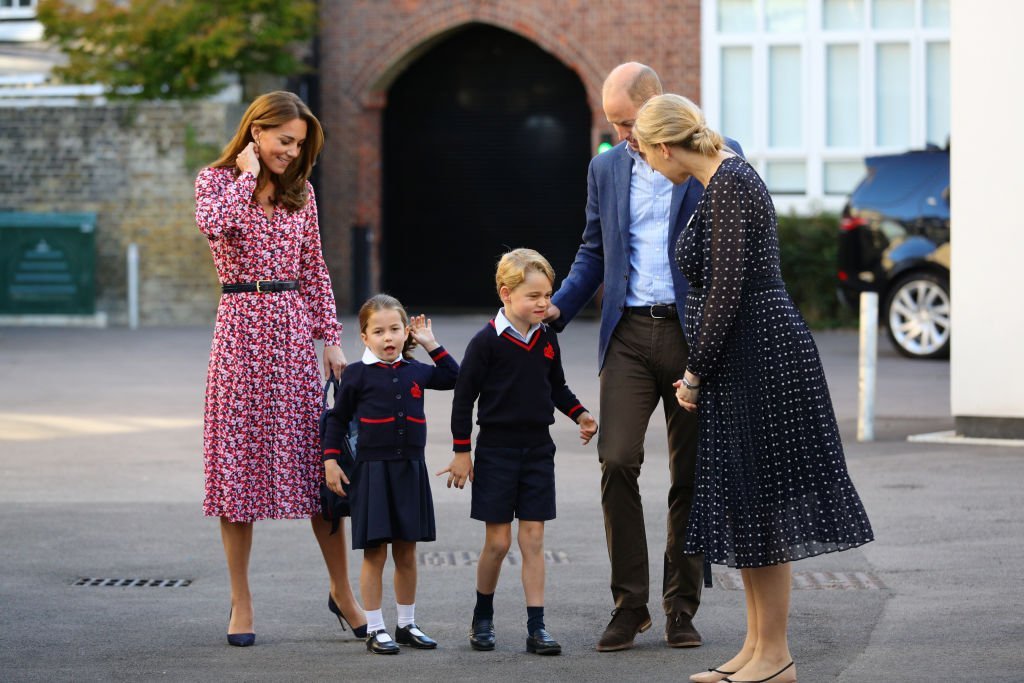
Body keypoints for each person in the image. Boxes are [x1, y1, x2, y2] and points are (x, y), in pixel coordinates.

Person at [633, 93, 875, 683]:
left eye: (643, 152)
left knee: (763, 505)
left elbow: (726, 290)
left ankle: (776, 656)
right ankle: (756, 647)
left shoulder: (732, 182)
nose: (645, 164)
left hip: (762, 355)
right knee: (749, 507)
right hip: (746, 356)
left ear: (665, 146)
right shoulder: (721, 181)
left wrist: (693, 375)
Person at [546, 62, 742, 652]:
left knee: (691, 476)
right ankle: (629, 607)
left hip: (692, 335)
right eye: (612, 123)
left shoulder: (716, 155)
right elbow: (592, 248)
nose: (621, 134)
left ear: (658, 105)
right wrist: (556, 307)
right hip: (628, 334)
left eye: (628, 122)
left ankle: (682, 607)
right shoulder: (605, 166)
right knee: (618, 460)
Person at [195, 91, 366, 646]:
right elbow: (213, 226)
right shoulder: (216, 181)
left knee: (321, 471)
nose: (291, 152)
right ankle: (241, 602)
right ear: (256, 132)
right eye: (283, 140)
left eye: (299, 144)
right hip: (240, 331)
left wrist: (331, 340)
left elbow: (314, 268)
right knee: (236, 475)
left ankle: (343, 591)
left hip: (292, 334)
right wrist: (246, 177)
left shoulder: (303, 194)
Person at [439, 248, 599, 656]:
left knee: (533, 538)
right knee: (497, 543)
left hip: (538, 451)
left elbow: (556, 386)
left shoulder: (547, 338)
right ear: (506, 293)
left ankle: (537, 626)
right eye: (535, 296)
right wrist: (462, 451)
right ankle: (483, 616)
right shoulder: (485, 342)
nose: (544, 304)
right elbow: (463, 398)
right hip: (496, 451)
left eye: (547, 295)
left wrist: (579, 413)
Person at [321, 294, 459, 654]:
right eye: (378, 331)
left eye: (395, 329)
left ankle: (407, 624)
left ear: (405, 333)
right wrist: (330, 461)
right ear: (364, 337)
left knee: (408, 552)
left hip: (410, 470)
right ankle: (375, 627)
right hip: (372, 474)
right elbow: (336, 419)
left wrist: (431, 343)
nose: (388, 338)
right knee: (374, 553)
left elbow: (454, 377)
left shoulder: (415, 370)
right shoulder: (356, 374)